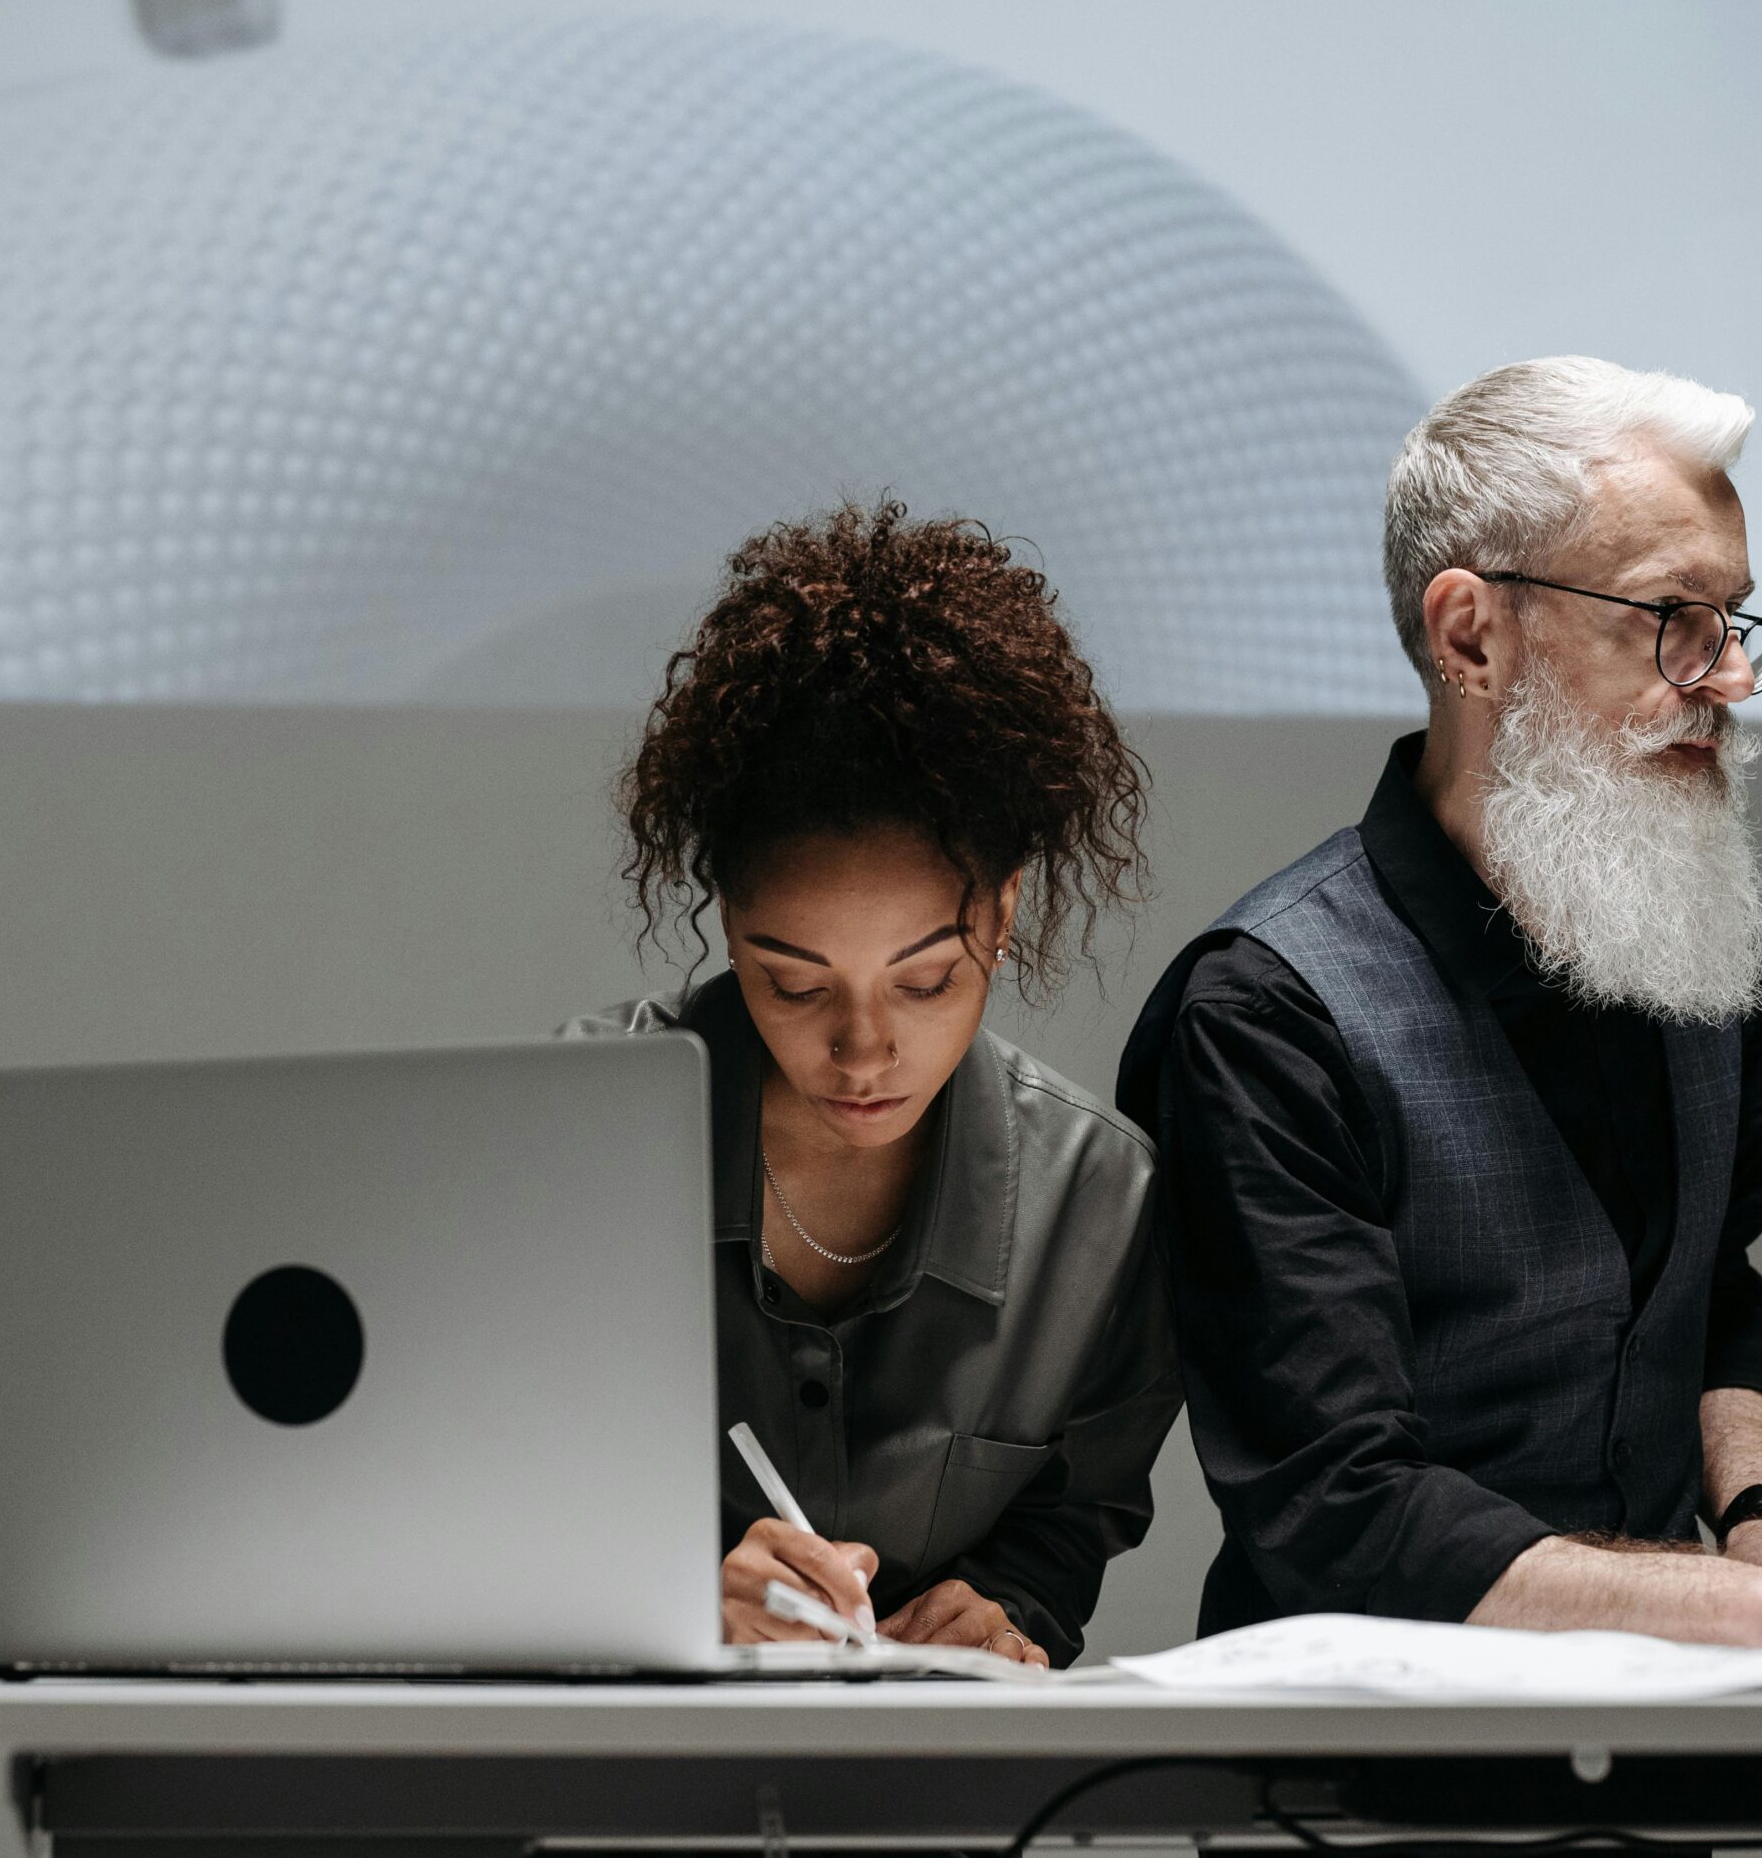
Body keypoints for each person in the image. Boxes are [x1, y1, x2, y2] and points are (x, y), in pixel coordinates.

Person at [1119, 355, 1762, 1643]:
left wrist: (1751, 1508)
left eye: (1734, 621)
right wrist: (1737, 1609)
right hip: (1365, 1797)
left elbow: (1721, 1292)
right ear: (1469, 632)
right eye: (1668, 618)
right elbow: (1341, 1514)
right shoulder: (1267, 1011)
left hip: (1670, 1765)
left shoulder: (1691, 928)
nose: (1732, 681)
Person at [563, 499, 1181, 1666]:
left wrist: (1007, 1610)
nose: (860, 1052)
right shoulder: (568, 1137)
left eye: (924, 982)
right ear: (731, 923)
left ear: (1002, 916)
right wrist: (682, 1598)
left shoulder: (1097, 1205)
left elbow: (1075, 1520)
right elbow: (464, 1498)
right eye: (794, 986)